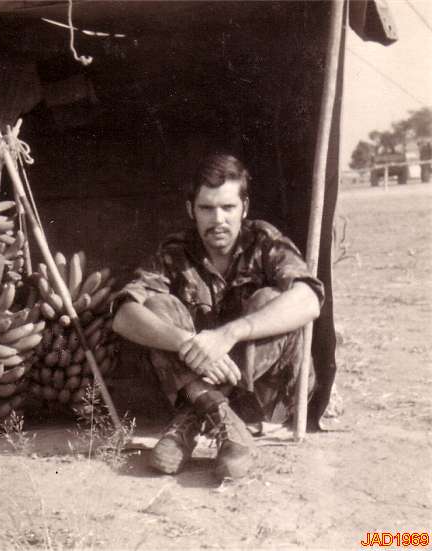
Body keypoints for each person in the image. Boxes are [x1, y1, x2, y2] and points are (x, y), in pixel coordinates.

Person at [112, 153, 324, 481]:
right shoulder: (176, 251)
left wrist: (230, 334)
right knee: (156, 308)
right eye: (207, 208)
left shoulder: (265, 242)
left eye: (228, 207)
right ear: (190, 210)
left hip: (263, 399)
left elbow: (309, 299)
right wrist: (189, 343)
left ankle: (198, 416)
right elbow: (124, 315)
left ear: (245, 208)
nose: (218, 219)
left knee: (270, 300)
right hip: (199, 383)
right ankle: (219, 417)